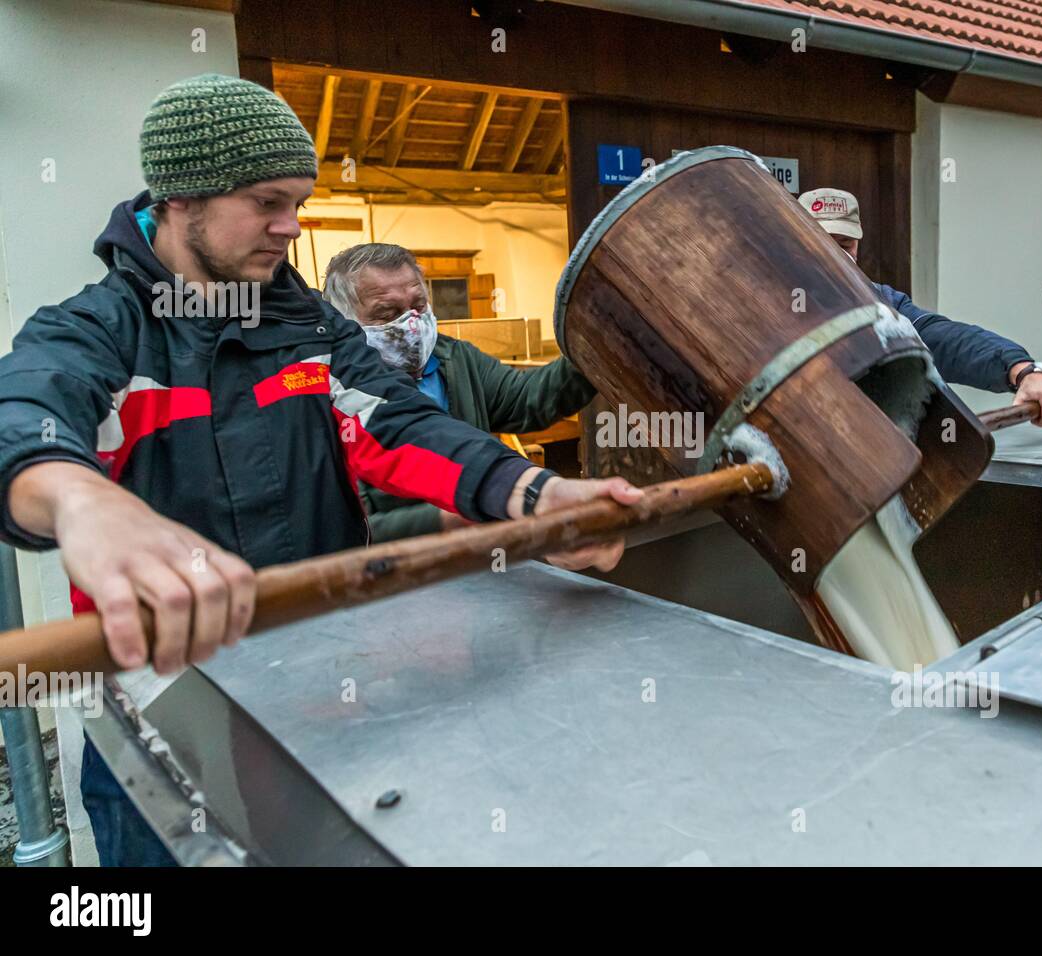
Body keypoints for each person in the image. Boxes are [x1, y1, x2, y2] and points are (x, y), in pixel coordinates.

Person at [0, 74, 641, 865]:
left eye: (298, 203)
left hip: (325, 683)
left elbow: (399, 423)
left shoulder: (307, 329)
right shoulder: (99, 331)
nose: (289, 227)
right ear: (181, 199)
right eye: (267, 202)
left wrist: (533, 492)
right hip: (163, 712)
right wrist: (79, 501)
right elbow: (27, 419)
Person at [323, 243, 596, 541]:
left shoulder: (454, 359)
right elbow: (340, 525)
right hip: (394, 572)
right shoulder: (334, 392)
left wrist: (589, 354)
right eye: (387, 313)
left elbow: (526, 398)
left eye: (418, 305)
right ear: (343, 320)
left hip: (478, 558)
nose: (410, 323)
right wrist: (457, 513)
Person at [797, 188, 1042, 427]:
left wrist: (1023, 369)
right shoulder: (772, 302)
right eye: (823, 243)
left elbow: (944, 338)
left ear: (857, 244)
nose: (837, 255)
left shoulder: (884, 304)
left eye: (845, 244)